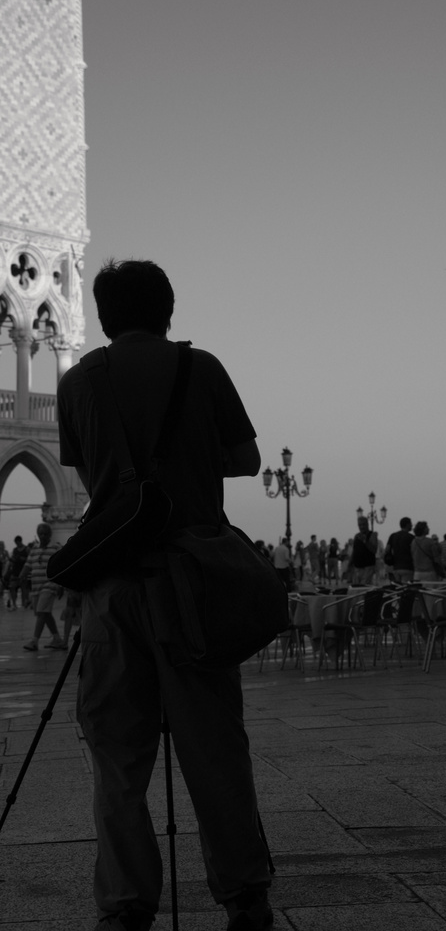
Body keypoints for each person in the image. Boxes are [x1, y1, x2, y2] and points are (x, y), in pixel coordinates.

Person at [57, 259, 272, 931]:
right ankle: (244, 896)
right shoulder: (200, 368)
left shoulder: (78, 383)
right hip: (192, 587)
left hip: (113, 587)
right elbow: (245, 461)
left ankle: (125, 904)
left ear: (103, 315)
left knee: (116, 759)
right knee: (214, 751)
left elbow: (93, 477)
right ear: (167, 310)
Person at [22, 523, 63, 650]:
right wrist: (20, 577)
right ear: (38, 534)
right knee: (44, 614)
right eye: (41, 534)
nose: (43, 536)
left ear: (50, 535)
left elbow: (62, 567)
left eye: (45, 534)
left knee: (41, 612)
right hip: (36, 587)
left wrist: (61, 585)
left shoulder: (55, 548)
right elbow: (27, 566)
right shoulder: (34, 549)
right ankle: (57, 639)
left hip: (49, 585)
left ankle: (34, 641)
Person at [384, 517, 414, 584]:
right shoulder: (411, 537)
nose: (412, 525)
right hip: (408, 567)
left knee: (398, 588)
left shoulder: (393, 536)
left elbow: (387, 550)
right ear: (407, 524)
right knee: (406, 589)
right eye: (411, 524)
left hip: (396, 567)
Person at [349, 516, 378, 585]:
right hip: (357, 568)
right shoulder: (357, 536)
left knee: (364, 587)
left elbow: (374, 550)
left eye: (363, 524)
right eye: (360, 525)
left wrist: (365, 541)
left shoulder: (372, 535)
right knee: (357, 588)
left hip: (367, 567)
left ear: (367, 524)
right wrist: (350, 563)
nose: (361, 527)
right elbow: (354, 551)